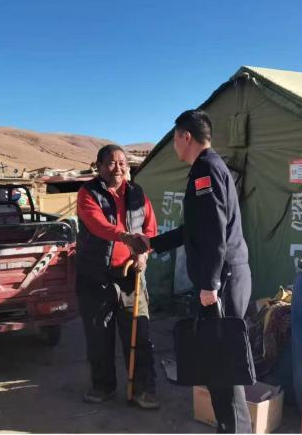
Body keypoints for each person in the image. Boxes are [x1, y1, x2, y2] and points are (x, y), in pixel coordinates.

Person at [131, 109, 253, 433]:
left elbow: (213, 232)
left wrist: (210, 284)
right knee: (217, 362)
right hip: (225, 276)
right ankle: (230, 426)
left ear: (186, 137)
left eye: (174, 139)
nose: (174, 146)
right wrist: (153, 243)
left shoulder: (205, 171)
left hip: (221, 280)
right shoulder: (210, 167)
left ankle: (235, 429)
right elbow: (195, 229)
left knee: (223, 364)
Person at [75, 144, 159, 409]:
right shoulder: (88, 193)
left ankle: (142, 389)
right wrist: (125, 237)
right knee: (99, 335)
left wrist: (144, 253)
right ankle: (103, 386)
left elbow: (150, 228)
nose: (118, 168)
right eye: (111, 163)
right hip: (95, 276)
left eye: (123, 162)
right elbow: (96, 224)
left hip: (130, 276)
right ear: (98, 166)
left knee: (138, 333)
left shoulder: (137, 193)